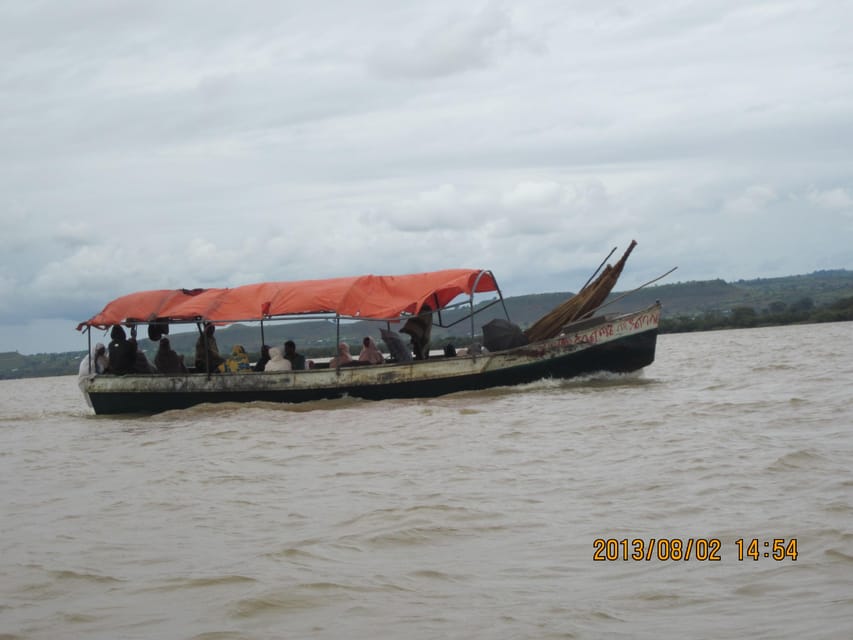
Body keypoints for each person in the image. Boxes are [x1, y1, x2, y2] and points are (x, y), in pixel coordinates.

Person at [78, 343, 109, 407]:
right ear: (96, 351)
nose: (102, 353)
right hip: (87, 382)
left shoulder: (103, 359)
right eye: (100, 351)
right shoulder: (87, 361)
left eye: (103, 351)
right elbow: (85, 373)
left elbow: (107, 367)